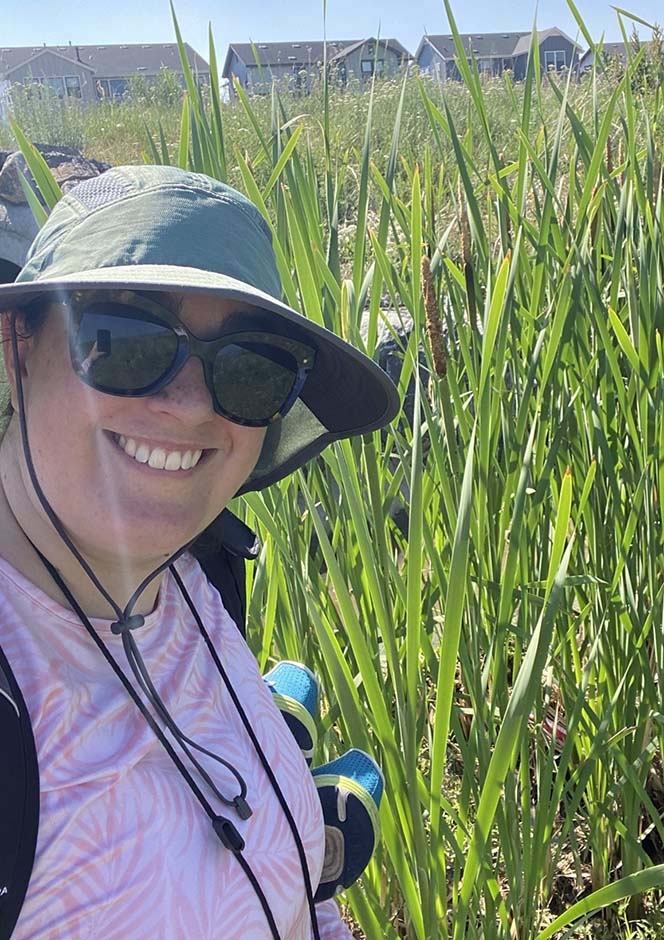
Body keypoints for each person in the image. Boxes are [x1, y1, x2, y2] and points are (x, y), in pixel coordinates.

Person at [0, 165, 399, 939]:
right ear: (19, 343)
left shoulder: (198, 567)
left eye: (251, 367)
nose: (189, 407)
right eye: (123, 342)